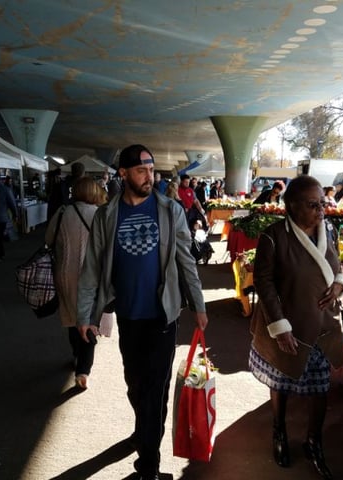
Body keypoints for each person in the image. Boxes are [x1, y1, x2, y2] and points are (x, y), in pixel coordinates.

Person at [77, 144, 208, 480]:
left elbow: (185, 259)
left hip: (163, 315)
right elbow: (91, 269)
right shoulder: (107, 215)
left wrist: (198, 303)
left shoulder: (169, 210)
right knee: (136, 385)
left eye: (151, 169)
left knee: (155, 387)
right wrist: (85, 315)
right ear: (123, 174)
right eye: (141, 170)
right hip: (128, 316)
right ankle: (145, 429)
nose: (149, 175)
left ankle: (148, 464)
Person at [250, 175, 343, 479]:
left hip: (322, 325)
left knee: (321, 388)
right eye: (312, 205)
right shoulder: (273, 236)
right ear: (291, 206)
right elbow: (264, 285)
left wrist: (338, 286)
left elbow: (337, 265)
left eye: (322, 203)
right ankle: (279, 432)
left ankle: (313, 442)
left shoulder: (327, 230)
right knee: (282, 383)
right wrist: (280, 327)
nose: (321, 210)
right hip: (289, 326)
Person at [46, 177, 106, 389]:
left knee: (72, 317)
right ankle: (83, 369)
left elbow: (48, 238)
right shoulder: (100, 214)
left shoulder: (62, 212)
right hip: (92, 276)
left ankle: (76, 354)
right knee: (88, 320)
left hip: (64, 274)